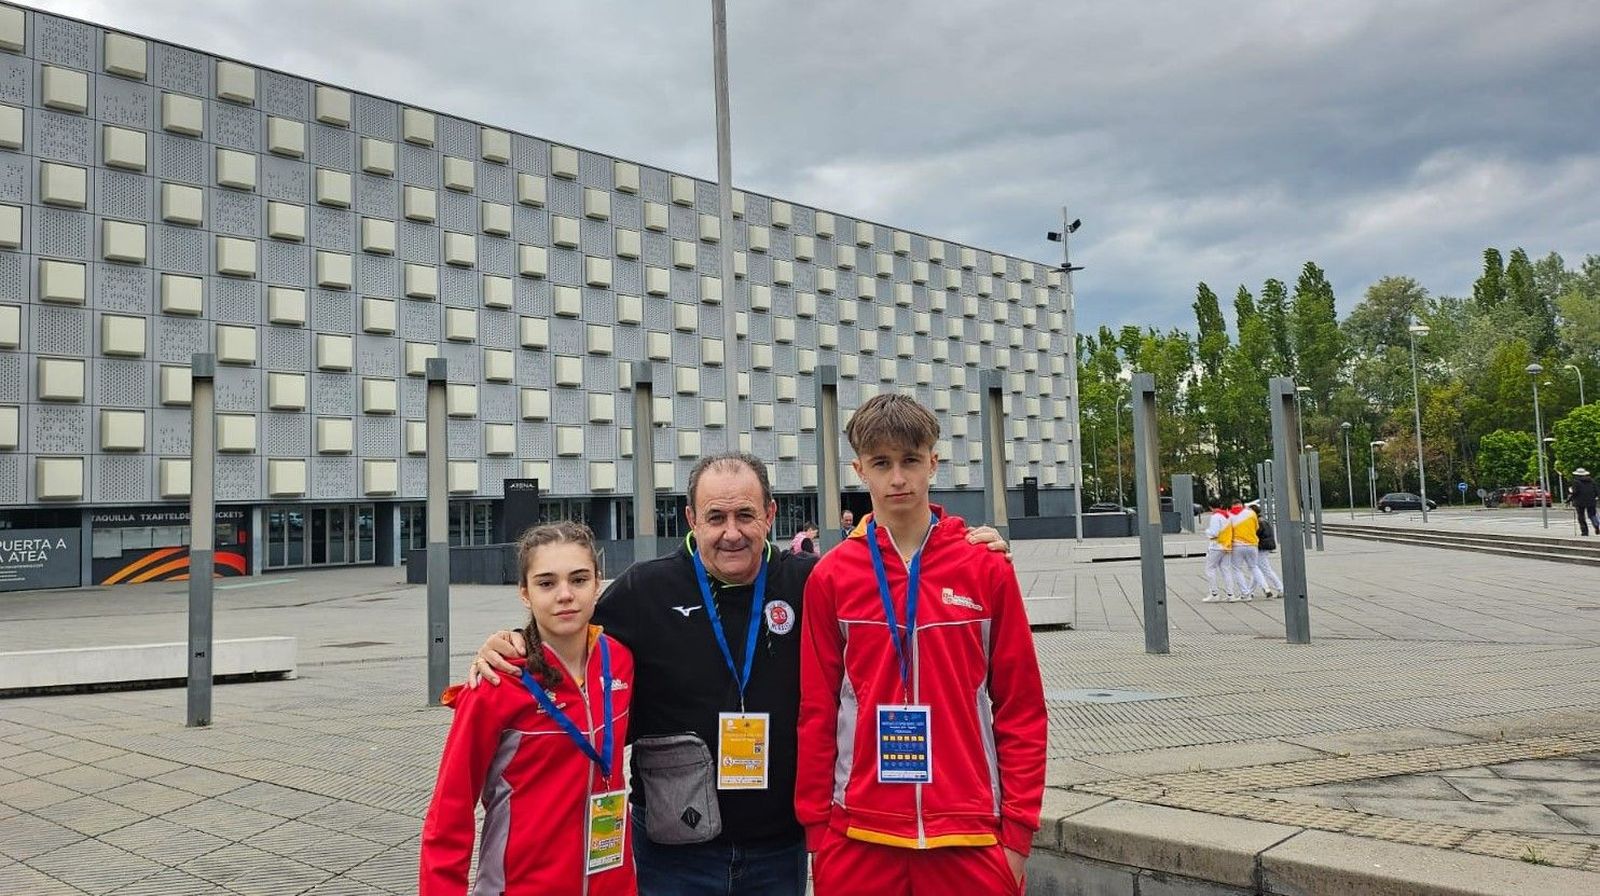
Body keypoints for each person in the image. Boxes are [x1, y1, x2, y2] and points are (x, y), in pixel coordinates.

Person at [468, 452, 1011, 896]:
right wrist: (515, 643)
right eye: (716, 518)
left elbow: (896, 579)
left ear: (771, 515)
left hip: (779, 848)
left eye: (746, 516)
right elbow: (571, 642)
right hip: (673, 855)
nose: (732, 533)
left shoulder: (812, 580)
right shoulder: (644, 591)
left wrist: (965, 546)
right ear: (690, 520)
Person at [797, 394, 1044, 895]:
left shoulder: (984, 567)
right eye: (881, 463)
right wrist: (818, 832)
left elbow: (1020, 706)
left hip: (970, 831)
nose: (898, 478)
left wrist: (1016, 833)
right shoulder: (832, 577)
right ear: (859, 469)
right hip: (860, 832)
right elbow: (817, 710)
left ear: (933, 461)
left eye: (910, 460)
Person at [420, 522, 635, 895]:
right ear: (524, 593)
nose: (565, 595)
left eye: (579, 580)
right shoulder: (496, 684)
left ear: (598, 584)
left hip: (612, 884)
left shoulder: (619, 661)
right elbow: (448, 816)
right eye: (547, 583)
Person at [1245, 500, 1284, 598]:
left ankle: (1281, 588)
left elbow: (1255, 534)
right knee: (1256, 569)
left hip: (1261, 547)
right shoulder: (1262, 520)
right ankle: (1249, 591)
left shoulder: (1258, 522)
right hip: (1264, 546)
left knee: (1265, 569)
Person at [1227, 500, 1263, 602]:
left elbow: (1228, 530)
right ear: (1242, 505)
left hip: (1237, 545)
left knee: (1237, 569)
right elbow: (1256, 527)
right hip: (1252, 544)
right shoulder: (1251, 514)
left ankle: (1245, 593)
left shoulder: (1230, 515)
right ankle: (1265, 587)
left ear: (1232, 506)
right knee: (1254, 567)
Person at [1202, 500, 1237, 602]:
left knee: (1210, 569)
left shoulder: (1215, 517)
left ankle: (1214, 593)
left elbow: (1214, 532)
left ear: (1210, 507)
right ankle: (1231, 594)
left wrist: (1207, 531)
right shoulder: (1227, 515)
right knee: (1225, 569)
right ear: (1221, 505)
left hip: (1217, 545)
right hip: (1227, 545)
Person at [1569, 468, 1599, 536]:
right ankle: (1596, 524)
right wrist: (1595, 497)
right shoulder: (1592, 481)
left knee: (1581, 516)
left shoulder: (1576, 482)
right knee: (1592, 514)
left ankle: (1585, 532)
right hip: (1591, 500)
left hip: (1579, 501)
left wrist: (1569, 499)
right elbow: (1597, 490)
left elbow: (1575, 492)